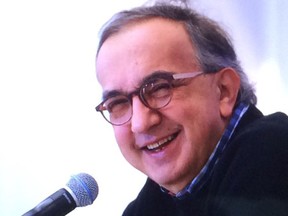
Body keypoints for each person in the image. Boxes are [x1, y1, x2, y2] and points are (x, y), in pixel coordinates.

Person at [95, 1, 288, 215]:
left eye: (159, 88)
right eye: (118, 103)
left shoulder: (272, 148)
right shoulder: (149, 205)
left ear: (223, 90)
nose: (140, 123)